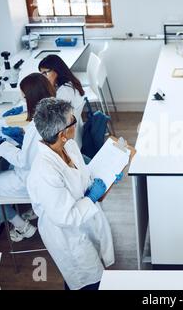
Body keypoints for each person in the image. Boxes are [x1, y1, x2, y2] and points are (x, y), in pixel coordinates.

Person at [27, 98, 133, 290]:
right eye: (73, 120)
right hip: (68, 237)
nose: (76, 122)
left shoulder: (68, 146)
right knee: (87, 281)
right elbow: (66, 217)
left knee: (95, 273)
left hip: (85, 223)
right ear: (62, 133)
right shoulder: (45, 171)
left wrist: (108, 176)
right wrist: (91, 197)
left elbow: (82, 176)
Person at [0, 73, 56, 242]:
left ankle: (21, 226)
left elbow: (22, 161)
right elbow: (35, 149)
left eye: (25, 97)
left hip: (31, 180)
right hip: (47, 175)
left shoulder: (35, 126)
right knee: (4, 167)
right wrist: (22, 139)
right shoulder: (55, 114)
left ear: (32, 98)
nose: (24, 101)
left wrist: (2, 146)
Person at [38, 54, 86, 147]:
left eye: (45, 73)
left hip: (66, 141)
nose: (43, 77)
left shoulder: (64, 92)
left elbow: (53, 122)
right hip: (75, 136)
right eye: (41, 73)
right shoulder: (69, 84)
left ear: (56, 71)